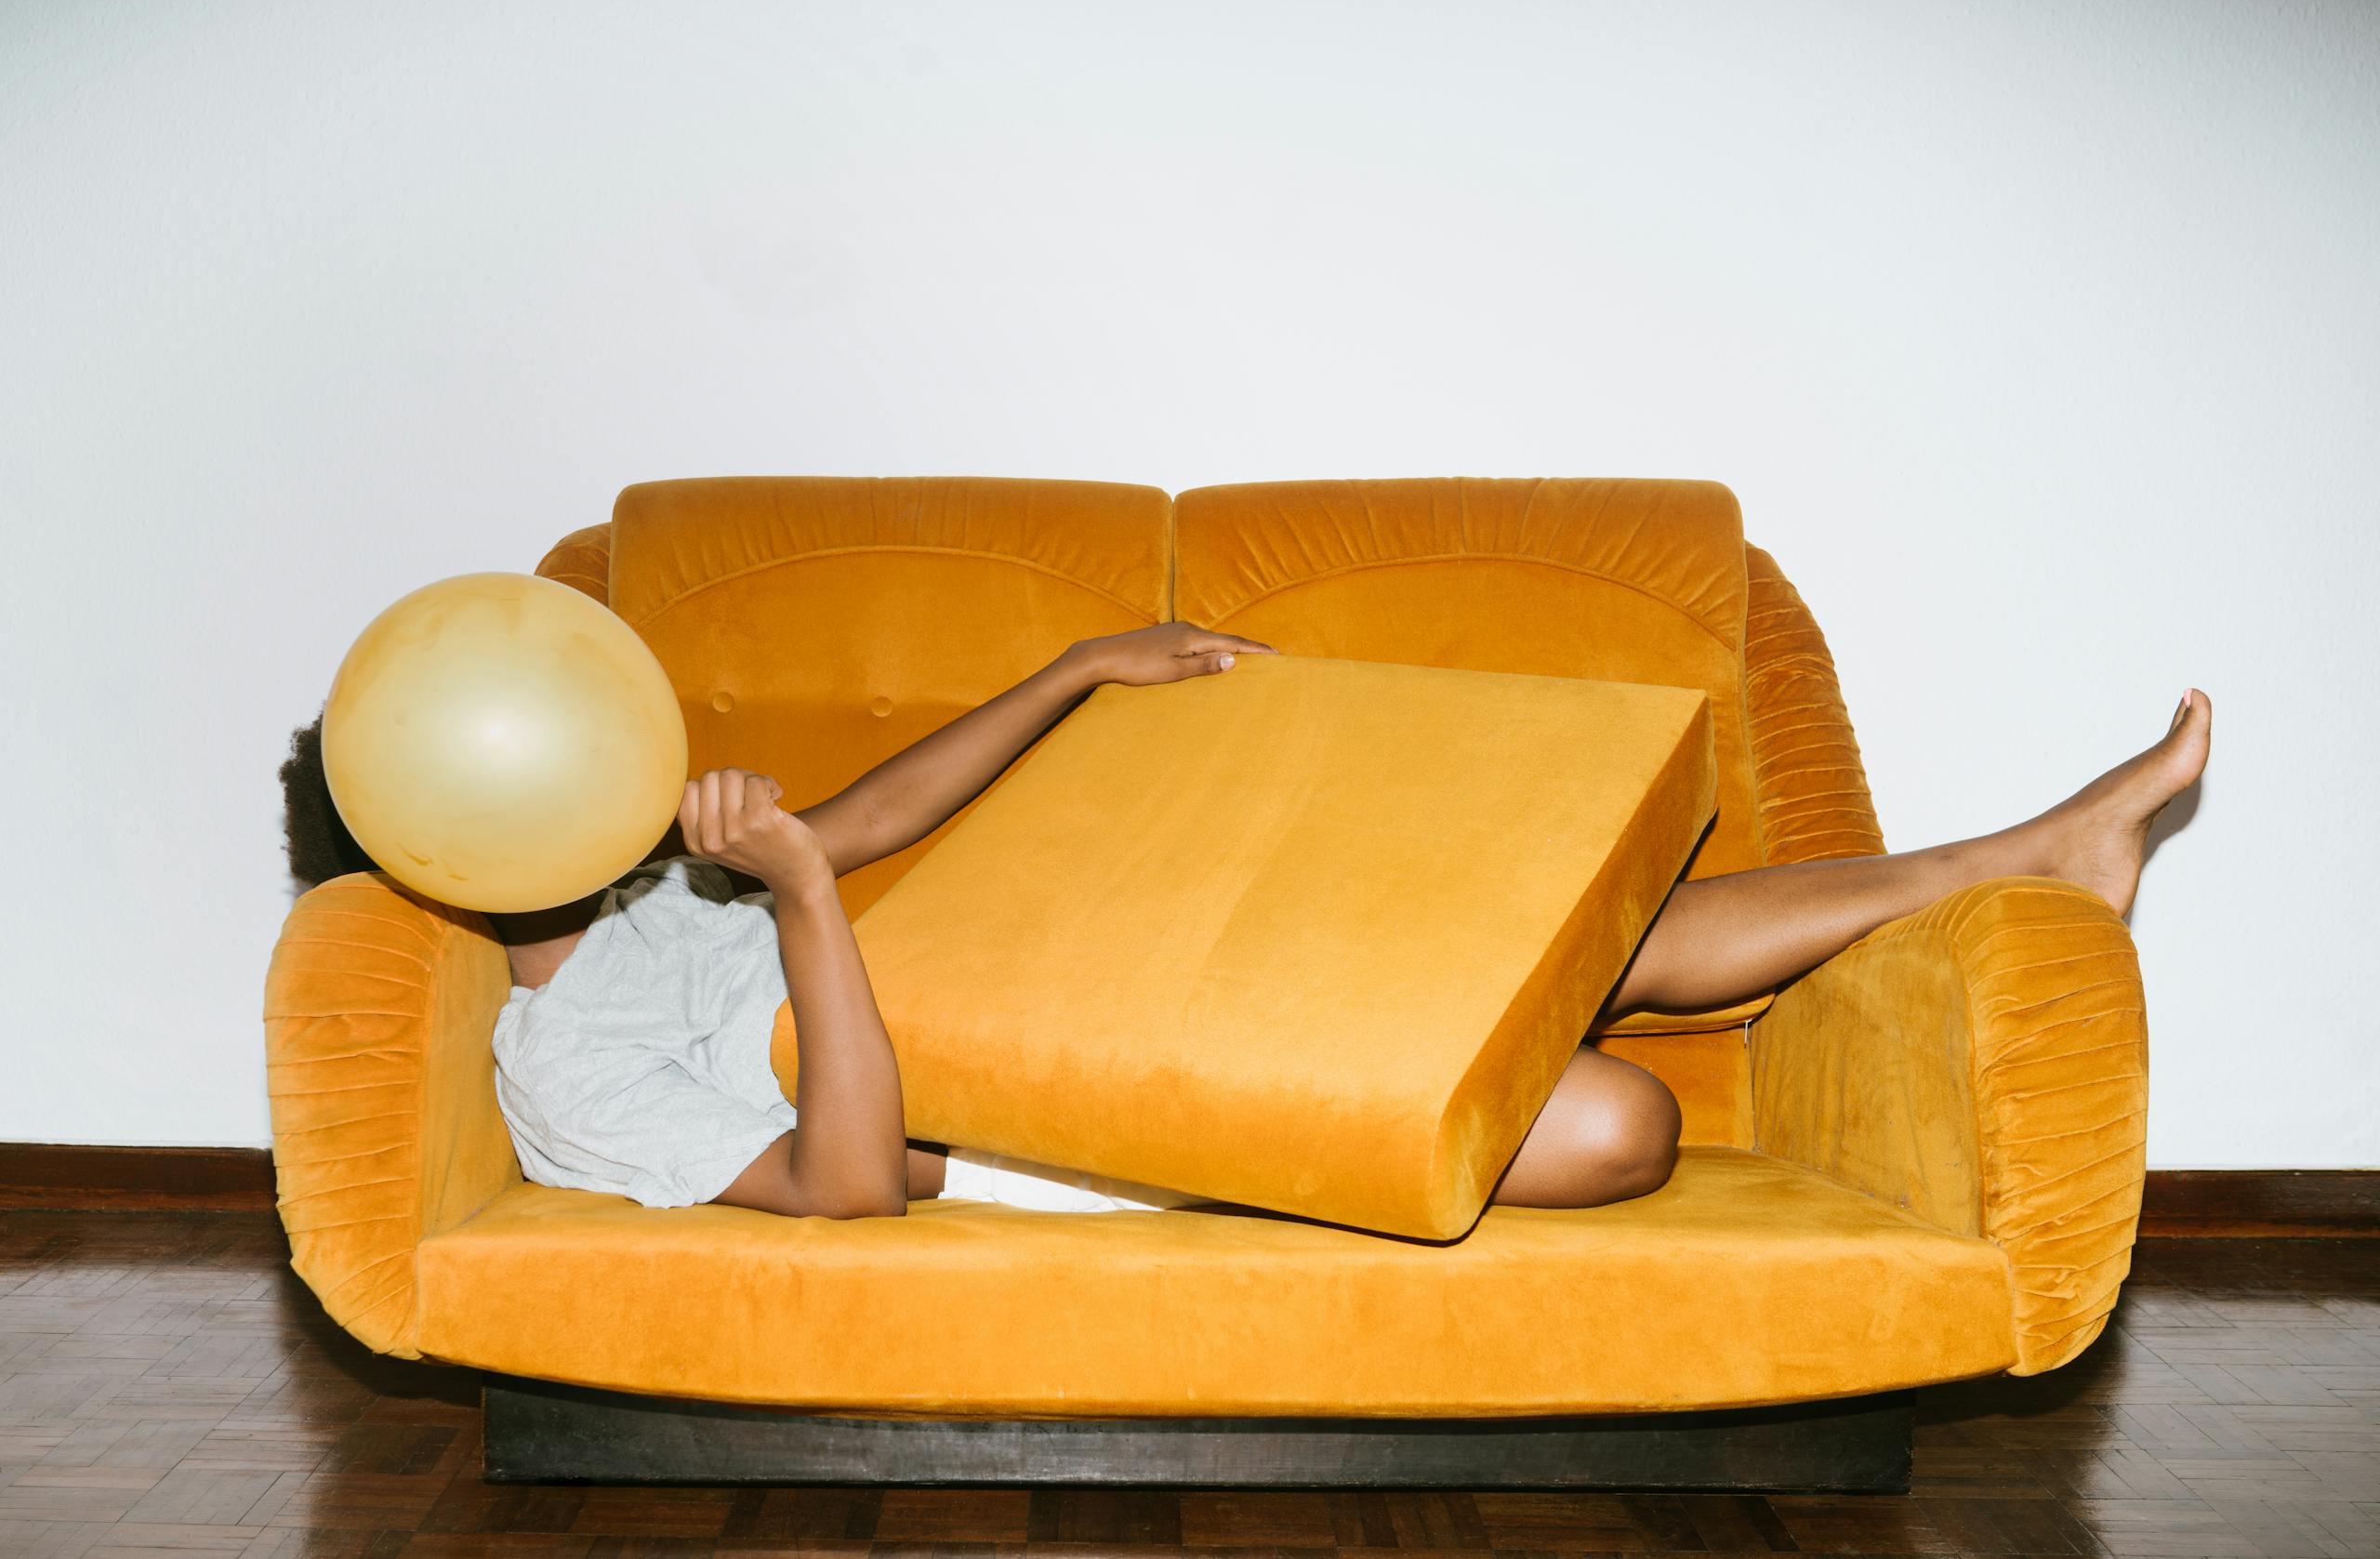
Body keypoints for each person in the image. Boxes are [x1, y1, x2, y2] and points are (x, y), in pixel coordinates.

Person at [279, 622, 2212, 1222]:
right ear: (434, 846)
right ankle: (2033, 854)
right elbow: (854, 1180)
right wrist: (797, 906)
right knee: (1622, 1126)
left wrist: (1071, 669)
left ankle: (2024, 854)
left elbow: (874, 821)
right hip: (1063, 1111)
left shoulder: (658, 863)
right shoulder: (564, 1072)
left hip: (1106, 943)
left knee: (1573, 928)